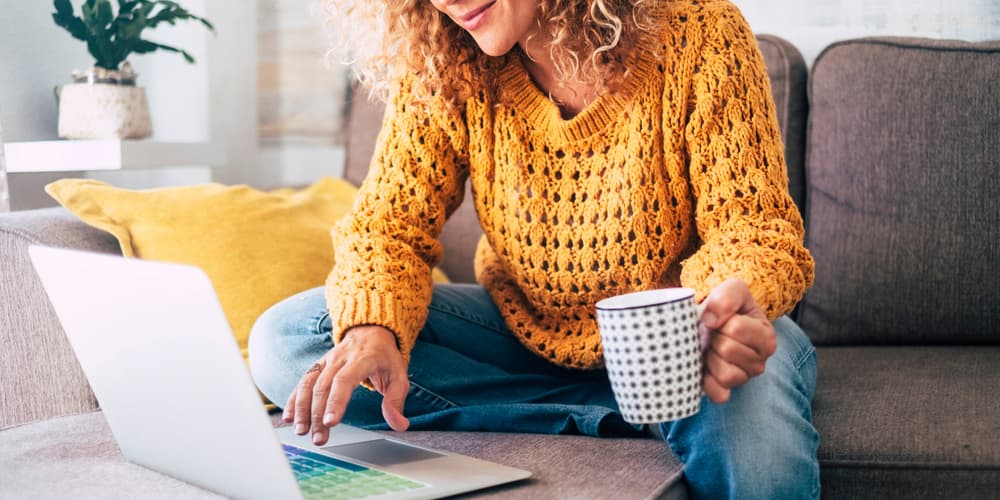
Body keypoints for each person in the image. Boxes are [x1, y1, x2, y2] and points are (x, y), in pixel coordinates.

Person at [248, 0, 819, 497]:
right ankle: (624, 416)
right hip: (524, 337)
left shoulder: (701, 32)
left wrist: (717, 313)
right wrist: (372, 329)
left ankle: (638, 407)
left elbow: (753, 229)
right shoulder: (447, 60)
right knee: (290, 338)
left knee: (749, 394)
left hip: (680, 343)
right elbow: (387, 226)